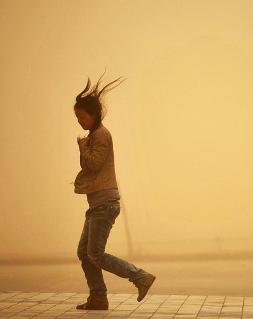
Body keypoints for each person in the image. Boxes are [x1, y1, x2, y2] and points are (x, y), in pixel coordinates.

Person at [73, 69, 156, 310]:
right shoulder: (93, 135)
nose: (79, 121)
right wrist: (84, 145)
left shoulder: (100, 135)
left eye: (82, 117)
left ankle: (140, 276)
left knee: (95, 253)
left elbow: (94, 164)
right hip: (96, 205)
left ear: (94, 114)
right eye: (77, 117)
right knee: (84, 252)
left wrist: (82, 147)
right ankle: (98, 297)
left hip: (105, 204)